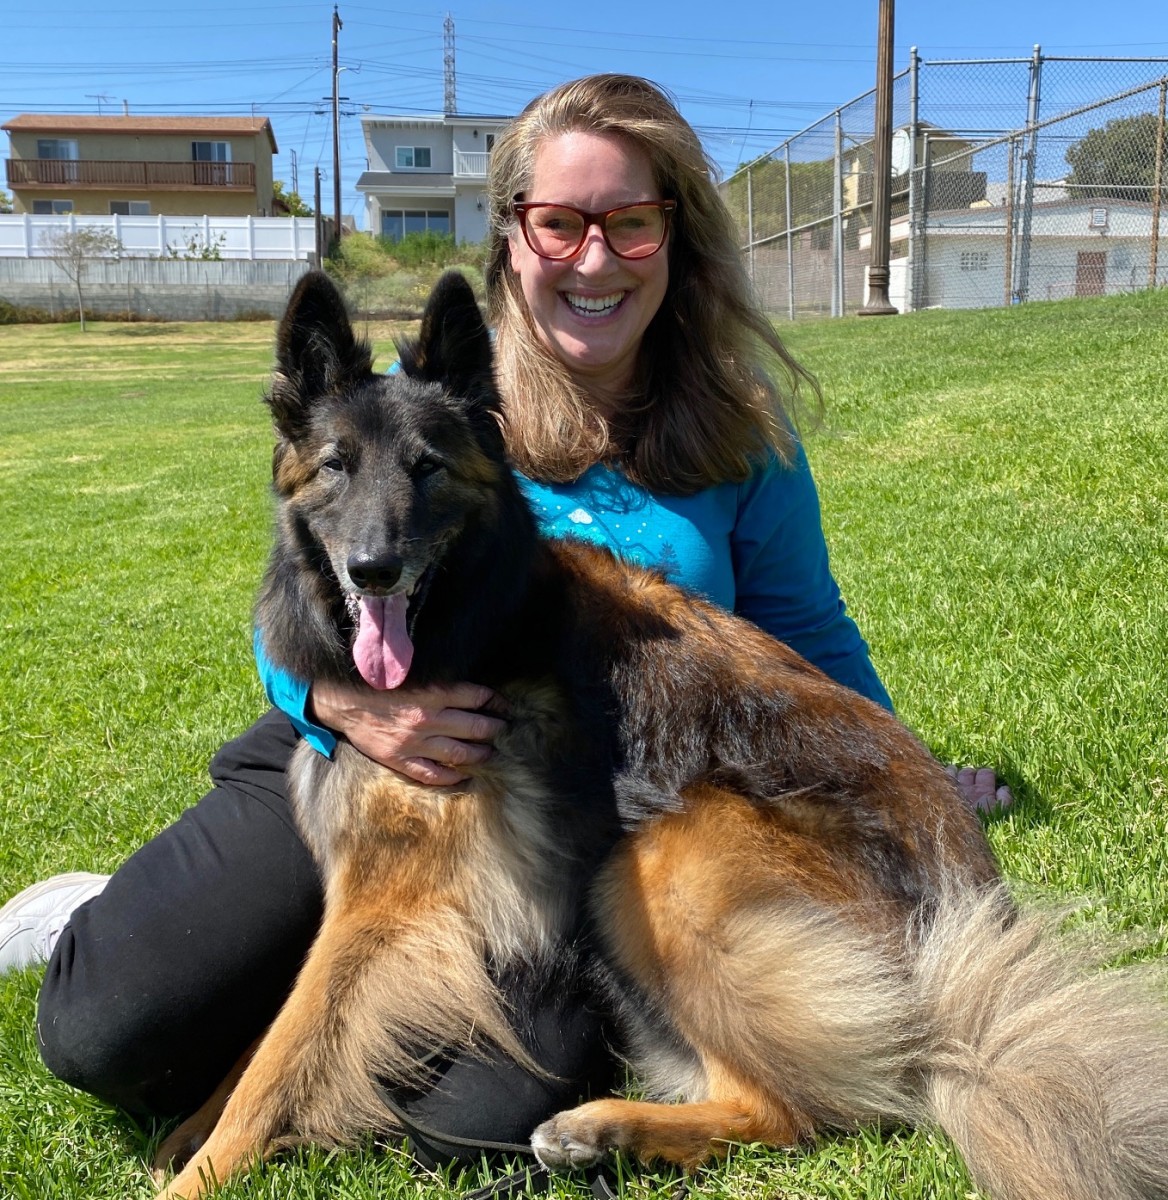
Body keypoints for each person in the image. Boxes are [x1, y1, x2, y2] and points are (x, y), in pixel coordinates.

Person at [0, 74, 1011, 1158]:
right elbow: (314, 582)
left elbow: (809, 638)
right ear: (512, 238)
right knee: (108, 1028)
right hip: (349, 735)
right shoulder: (428, 398)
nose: (593, 257)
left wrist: (896, 790)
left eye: (629, 222)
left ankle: (283, 1012)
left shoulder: (739, 435)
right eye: (560, 222)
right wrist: (334, 703)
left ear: (674, 234)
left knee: (472, 1124)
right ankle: (133, 926)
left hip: (552, 799)